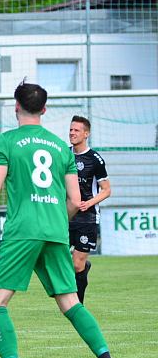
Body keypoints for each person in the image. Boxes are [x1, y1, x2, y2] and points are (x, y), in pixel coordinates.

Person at [0, 81, 122, 358]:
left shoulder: (6, 141)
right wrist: (56, 223)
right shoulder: (61, 148)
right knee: (70, 302)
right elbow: (74, 200)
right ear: (44, 110)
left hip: (22, 232)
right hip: (56, 230)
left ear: (16, 106)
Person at [68, 116, 111, 304]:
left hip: (87, 218)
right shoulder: (63, 155)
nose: (72, 133)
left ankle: (78, 305)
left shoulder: (95, 159)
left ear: (86, 134)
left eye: (76, 130)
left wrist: (90, 202)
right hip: (65, 216)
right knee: (56, 258)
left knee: (77, 264)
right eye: (70, 129)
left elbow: (107, 190)